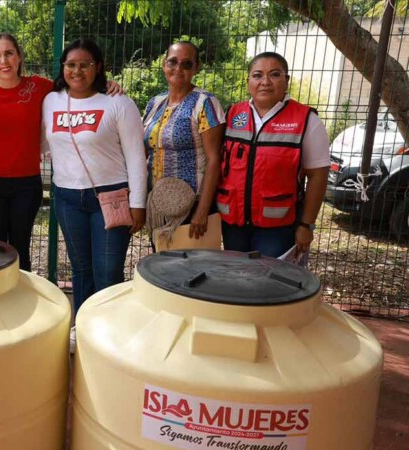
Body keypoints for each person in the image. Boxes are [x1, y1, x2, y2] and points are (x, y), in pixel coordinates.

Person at [0, 33, 124, 272]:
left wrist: (106, 84)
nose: (4, 60)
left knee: (21, 247)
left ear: (19, 56)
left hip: (26, 184)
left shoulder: (40, 87)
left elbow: (76, 82)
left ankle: (23, 301)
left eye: (9, 53)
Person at [41, 38, 146, 348]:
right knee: (81, 268)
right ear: (63, 68)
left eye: (85, 65)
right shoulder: (51, 101)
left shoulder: (118, 104)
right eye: (71, 65)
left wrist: (137, 204)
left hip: (111, 197)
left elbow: (136, 158)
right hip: (67, 197)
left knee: (107, 269)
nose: (77, 71)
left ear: (97, 67)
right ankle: (83, 327)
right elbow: (44, 143)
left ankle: (109, 332)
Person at [217, 51, 330, 258]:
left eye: (275, 74)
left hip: (277, 227)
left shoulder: (306, 120)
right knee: (235, 280)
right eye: (258, 75)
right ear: (248, 81)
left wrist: (306, 225)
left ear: (286, 80)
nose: (265, 82)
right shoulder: (232, 113)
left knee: (267, 286)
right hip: (233, 222)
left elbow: (318, 176)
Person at [142, 41, 225, 247]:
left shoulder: (204, 103)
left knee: (187, 273)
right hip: (160, 204)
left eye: (187, 64)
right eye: (173, 62)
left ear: (196, 68)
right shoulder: (155, 103)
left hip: (191, 205)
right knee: (161, 271)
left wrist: (202, 210)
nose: (178, 68)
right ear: (164, 65)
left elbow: (215, 159)